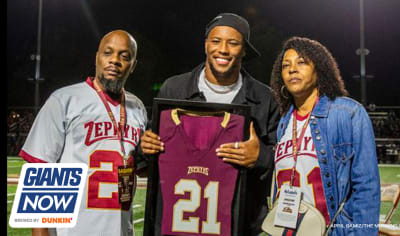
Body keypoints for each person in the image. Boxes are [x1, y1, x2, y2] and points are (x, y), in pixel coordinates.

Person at [140, 13, 280, 235]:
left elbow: (283, 162)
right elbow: (151, 152)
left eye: (233, 43)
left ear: (244, 50)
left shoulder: (265, 98)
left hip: (238, 223)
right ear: (206, 45)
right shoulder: (174, 89)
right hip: (176, 223)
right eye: (216, 41)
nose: (223, 49)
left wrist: (260, 156)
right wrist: (146, 146)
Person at [19, 30, 147, 236]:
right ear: (97, 57)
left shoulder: (137, 107)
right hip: (72, 230)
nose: (114, 60)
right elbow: (41, 171)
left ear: (133, 65)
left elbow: (141, 167)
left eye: (124, 56)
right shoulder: (65, 99)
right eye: (108, 53)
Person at [270, 36, 380, 235]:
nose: (292, 69)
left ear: (319, 69)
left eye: (301, 62)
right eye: (286, 65)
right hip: (288, 230)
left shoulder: (348, 113)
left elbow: (367, 188)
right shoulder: (284, 122)